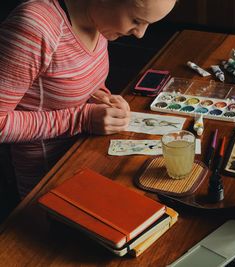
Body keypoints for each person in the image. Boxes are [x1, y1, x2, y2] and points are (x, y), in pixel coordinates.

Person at [0, 0, 176, 198]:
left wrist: (101, 98)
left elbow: (71, 80)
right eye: (136, 20)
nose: (140, 33)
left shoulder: (99, 20)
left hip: (87, 152)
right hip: (48, 178)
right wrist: (82, 119)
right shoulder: (35, 27)